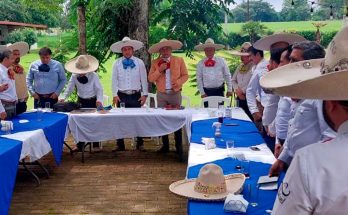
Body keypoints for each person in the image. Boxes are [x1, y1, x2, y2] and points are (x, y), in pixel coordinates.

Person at [261, 26, 348, 214]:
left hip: (316, 174)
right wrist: (283, 157)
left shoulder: (311, 161)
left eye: (294, 61)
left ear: (331, 103)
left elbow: (327, 134)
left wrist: (316, 159)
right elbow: (296, 129)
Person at [265, 41, 336, 176]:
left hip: (311, 170)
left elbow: (329, 138)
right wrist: (281, 159)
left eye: (294, 60)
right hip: (294, 164)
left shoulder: (321, 95)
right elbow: (294, 129)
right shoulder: (301, 90)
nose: (288, 65)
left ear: (310, 64)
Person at [148, 38, 188, 160]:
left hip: (175, 94)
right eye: (163, 49)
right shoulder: (155, 62)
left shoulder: (179, 60)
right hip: (161, 94)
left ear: (171, 50)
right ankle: (165, 146)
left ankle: (179, 147)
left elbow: (185, 75)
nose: (165, 51)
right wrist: (159, 70)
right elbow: (150, 78)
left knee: (177, 119)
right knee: (162, 120)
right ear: (160, 51)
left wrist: (179, 82)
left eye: (167, 48)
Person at [111, 37, 148, 151]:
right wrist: (114, 94)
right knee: (119, 119)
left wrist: (145, 94)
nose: (127, 51)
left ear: (133, 50)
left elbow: (144, 79)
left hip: (135, 95)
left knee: (137, 119)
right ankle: (120, 143)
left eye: (129, 49)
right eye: (124, 49)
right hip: (121, 95)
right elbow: (114, 80)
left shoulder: (139, 62)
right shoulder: (116, 63)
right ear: (122, 51)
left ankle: (139, 142)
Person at [59, 55, 103, 152]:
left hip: (92, 100)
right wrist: (63, 97)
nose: (81, 73)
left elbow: (99, 89)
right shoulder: (74, 76)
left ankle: (95, 144)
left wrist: (99, 100)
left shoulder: (94, 76)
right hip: (81, 101)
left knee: (94, 122)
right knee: (79, 122)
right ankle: (80, 145)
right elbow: (69, 88)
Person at [195, 38, 232, 104]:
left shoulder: (221, 61)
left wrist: (229, 89)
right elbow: (199, 78)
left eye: (211, 50)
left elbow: (227, 75)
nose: (209, 52)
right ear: (204, 51)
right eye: (207, 50)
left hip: (219, 91)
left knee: (220, 112)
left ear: (214, 50)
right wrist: (202, 92)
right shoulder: (200, 63)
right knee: (207, 112)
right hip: (206, 92)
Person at [230, 42, 253, 119]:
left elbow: (253, 83)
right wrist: (238, 91)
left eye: (244, 56)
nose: (241, 58)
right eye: (241, 55)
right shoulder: (240, 66)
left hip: (250, 99)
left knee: (250, 119)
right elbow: (233, 80)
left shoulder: (254, 66)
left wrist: (243, 92)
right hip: (239, 97)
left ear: (250, 56)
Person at [8, 42, 30, 115]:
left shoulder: (21, 68)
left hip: (23, 101)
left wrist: (26, 94)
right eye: (15, 54)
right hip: (12, 102)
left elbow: (23, 82)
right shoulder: (7, 68)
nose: (17, 56)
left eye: (18, 54)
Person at [0, 49, 17, 120]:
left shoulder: (8, 70)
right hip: (4, 106)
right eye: (12, 59)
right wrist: (1, 110)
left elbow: (12, 87)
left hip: (13, 105)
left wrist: (15, 98)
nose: (13, 61)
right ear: (6, 59)